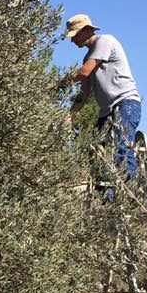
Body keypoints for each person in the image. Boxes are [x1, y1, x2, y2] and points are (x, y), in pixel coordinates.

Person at [58, 13, 142, 179]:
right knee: (96, 152)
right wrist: (71, 114)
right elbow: (84, 92)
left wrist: (58, 83)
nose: (72, 41)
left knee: (122, 149)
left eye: (74, 36)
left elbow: (84, 72)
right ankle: (106, 200)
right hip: (106, 112)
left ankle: (133, 199)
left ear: (87, 30)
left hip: (125, 104)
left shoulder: (105, 41)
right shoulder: (87, 57)